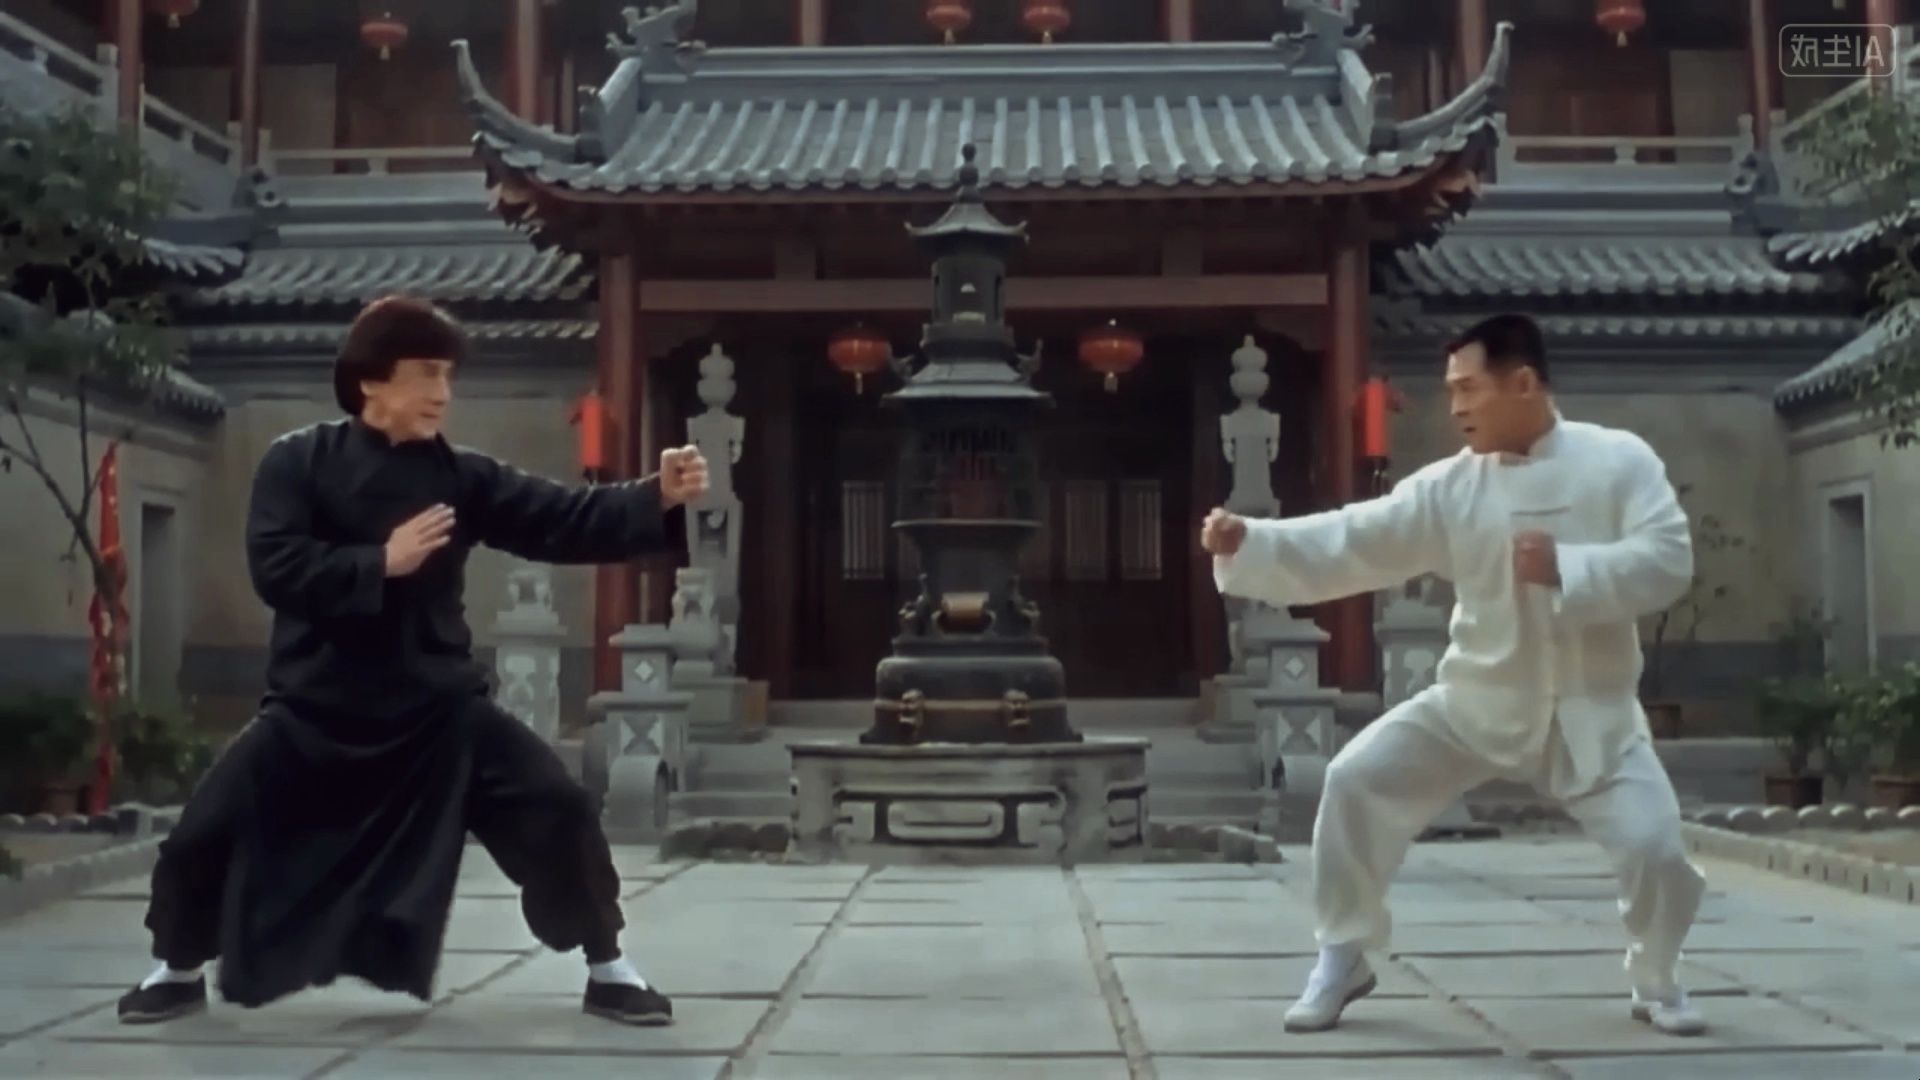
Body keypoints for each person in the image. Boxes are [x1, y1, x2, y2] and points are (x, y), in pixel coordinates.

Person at [117, 296, 708, 1028]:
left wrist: (655, 496)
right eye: (426, 373)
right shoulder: (295, 463)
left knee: (556, 806)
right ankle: (175, 968)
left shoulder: (459, 477)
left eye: (448, 376)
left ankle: (609, 966)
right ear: (371, 379)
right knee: (205, 831)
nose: (442, 393)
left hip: (437, 707)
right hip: (316, 708)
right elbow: (276, 566)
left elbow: (558, 517)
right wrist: (380, 562)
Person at [1202, 313, 1709, 1037]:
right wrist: (1250, 542)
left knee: (1655, 848)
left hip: (1592, 712)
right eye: (1451, 391)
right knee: (1354, 780)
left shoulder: (1619, 461)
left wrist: (1569, 566)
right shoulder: (1451, 487)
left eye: (1469, 389)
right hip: (1476, 698)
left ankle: (1656, 976)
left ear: (1523, 383)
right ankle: (1344, 952)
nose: (1456, 407)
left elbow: (1669, 560)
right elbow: (1356, 537)